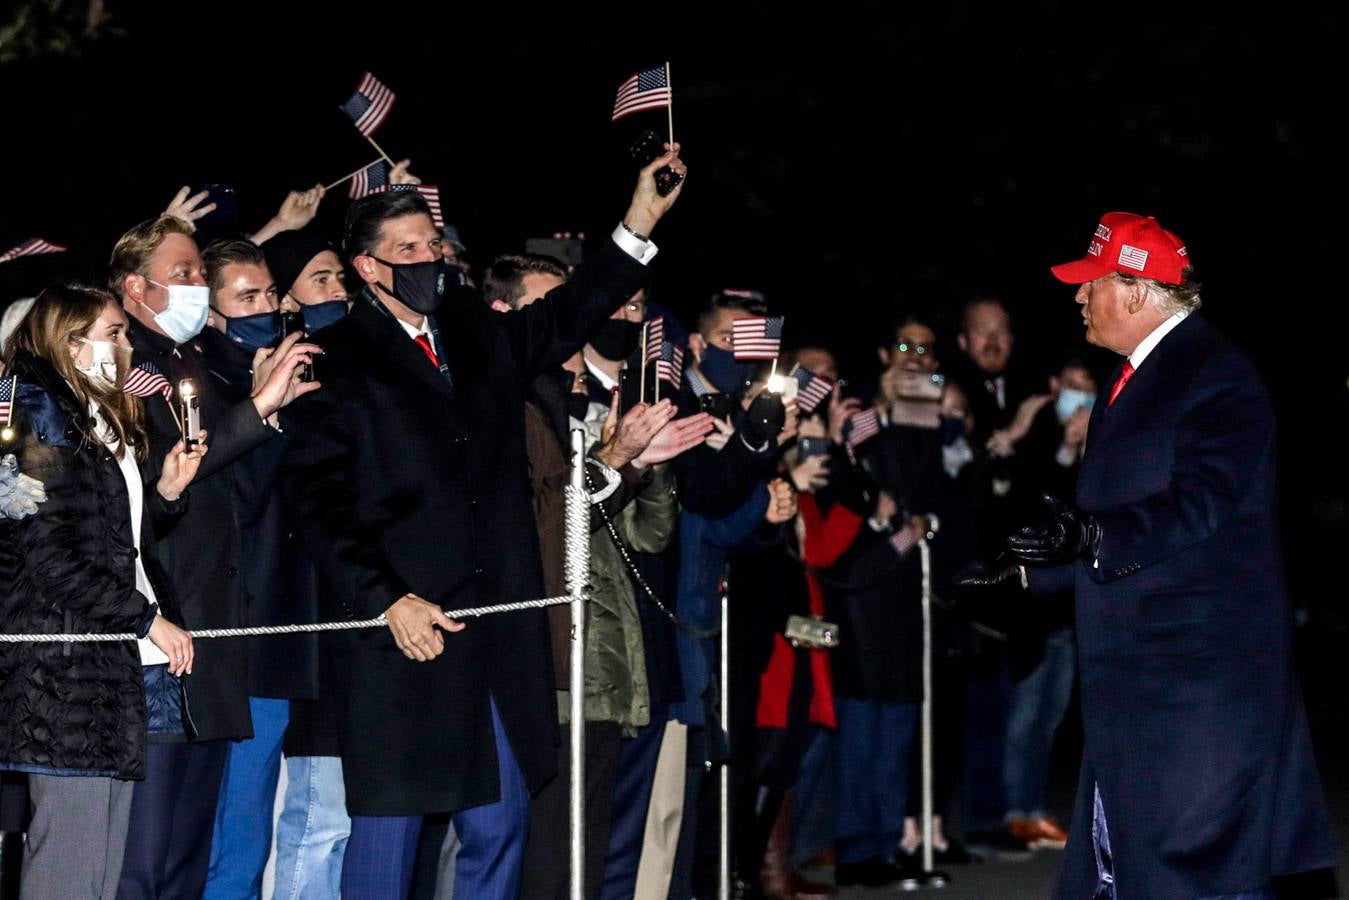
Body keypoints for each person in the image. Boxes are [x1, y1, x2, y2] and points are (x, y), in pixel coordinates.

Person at [279, 146, 686, 899]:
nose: (428, 259)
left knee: (500, 827)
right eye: (407, 250)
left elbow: (570, 310)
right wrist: (385, 599)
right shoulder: (332, 359)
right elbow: (318, 504)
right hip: (404, 634)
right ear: (367, 267)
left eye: (432, 245)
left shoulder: (474, 332)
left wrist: (638, 221)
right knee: (390, 838)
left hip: (496, 628)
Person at [961, 212, 1338, 898]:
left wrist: (1090, 535)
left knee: (1196, 877)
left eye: (1091, 283)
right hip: (1140, 687)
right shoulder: (1130, 377)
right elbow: (1120, 519)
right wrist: (1027, 575)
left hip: (1199, 688)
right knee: (1132, 872)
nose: (1078, 297)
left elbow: (1200, 505)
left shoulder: (1217, 373)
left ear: (1135, 290)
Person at [108, 214, 318, 898]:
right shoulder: (126, 369)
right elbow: (163, 478)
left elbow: (238, 496)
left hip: (214, 633)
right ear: (135, 289)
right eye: (185, 274)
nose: (197, 284)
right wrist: (257, 406)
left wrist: (265, 414)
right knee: (146, 854)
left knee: (191, 856)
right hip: (160, 631)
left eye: (201, 272)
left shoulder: (188, 362)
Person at [0, 283, 203, 899]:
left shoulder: (90, 413)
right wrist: (145, 618)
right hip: (62, 669)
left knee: (101, 868)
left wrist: (164, 493)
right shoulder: (36, 410)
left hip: (105, 659)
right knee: (70, 864)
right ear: (69, 342)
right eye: (113, 333)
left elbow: (112, 540)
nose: (126, 345)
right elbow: (47, 555)